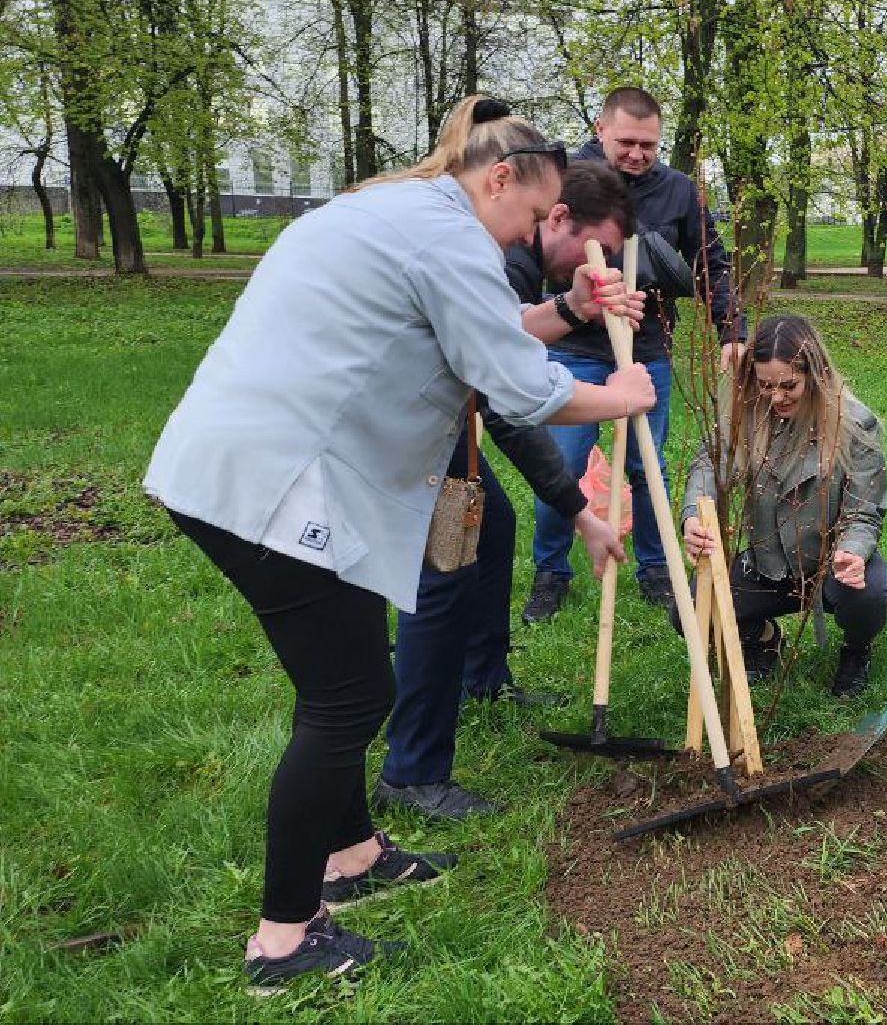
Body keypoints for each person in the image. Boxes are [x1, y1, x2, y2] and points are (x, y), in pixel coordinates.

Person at [144, 95, 656, 992]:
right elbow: (517, 387)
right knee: (348, 697)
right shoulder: (451, 235)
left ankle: (351, 854)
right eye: (535, 216)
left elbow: (477, 344)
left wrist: (570, 307)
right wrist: (623, 396)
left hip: (244, 462)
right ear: (500, 178)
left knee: (337, 684)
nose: (530, 236)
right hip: (270, 481)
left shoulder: (402, 212)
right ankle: (282, 940)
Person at [376, 162, 639, 822]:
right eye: (588, 247)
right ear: (550, 217)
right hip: (408, 434)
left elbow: (509, 347)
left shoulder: (519, 262)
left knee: (487, 532)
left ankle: (482, 678)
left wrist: (575, 306)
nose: (594, 263)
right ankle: (411, 771)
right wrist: (582, 510)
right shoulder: (492, 254)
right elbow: (509, 405)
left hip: (442, 427)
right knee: (443, 573)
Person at [522, 86, 746, 622]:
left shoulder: (677, 192)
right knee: (563, 461)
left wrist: (730, 331)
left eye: (648, 145)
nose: (637, 155)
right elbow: (534, 256)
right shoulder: (568, 180)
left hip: (647, 350)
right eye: (626, 142)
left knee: (649, 466)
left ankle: (655, 567)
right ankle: (550, 571)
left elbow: (710, 264)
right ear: (600, 129)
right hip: (573, 347)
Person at [680, 314, 887, 697]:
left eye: (789, 385)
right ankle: (761, 635)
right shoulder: (743, 416)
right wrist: (694, 516)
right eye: (765, 386)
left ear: (816, 375)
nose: (776, 397)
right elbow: (708, 465)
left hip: (829, 564)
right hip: (766, 566)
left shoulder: (855, 423)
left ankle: (856, 650)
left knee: (871, 592)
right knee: (689, 609)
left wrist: (852, 553)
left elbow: (864, 510)